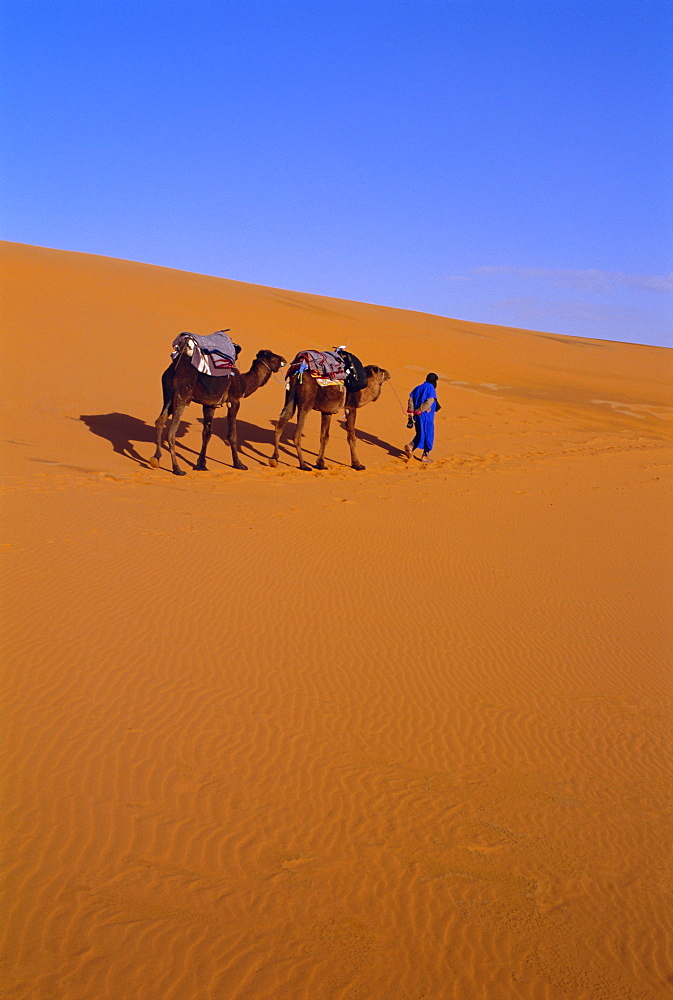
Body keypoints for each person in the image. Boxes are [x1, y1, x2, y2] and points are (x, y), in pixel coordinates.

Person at [404, 373, 441, 463]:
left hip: (417, 416)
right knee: (428, 434)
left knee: (420, 433)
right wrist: (421, 410)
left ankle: (411, 446)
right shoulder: (430, 388)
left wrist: (412, 412)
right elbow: (430, 400)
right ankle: (425, 455)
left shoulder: (418, 388)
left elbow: (411, 400)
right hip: (426, 415)